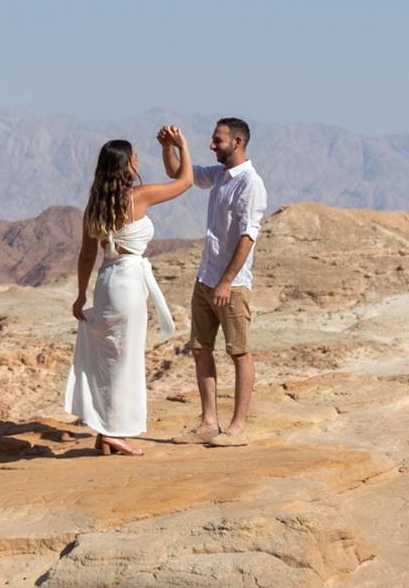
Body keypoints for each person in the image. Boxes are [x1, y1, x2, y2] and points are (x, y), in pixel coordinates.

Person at [64, 126, 195, 455]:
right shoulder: (138, 197)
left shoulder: (94, 206)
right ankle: (113, 432)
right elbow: (186, 181)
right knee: (125, 361)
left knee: (111, 358)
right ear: (126, 166)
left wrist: (81, 295)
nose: (139, 162)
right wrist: (181, 146)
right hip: (128, 284)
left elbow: (86, 256)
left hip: (107, 284)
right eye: (136, 157)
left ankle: (105, 429)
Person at [183, 117, 267, 444]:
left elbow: (248, 236)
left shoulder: (250, 183)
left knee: (239, 352)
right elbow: (184, 174)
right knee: (201, 348)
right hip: (206, 277)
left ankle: (238, 428)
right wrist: (173, 147)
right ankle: (208, 424)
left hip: (231, 284)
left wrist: (226, 281)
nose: (212, 145)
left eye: (218, 140)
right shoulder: (219, 175)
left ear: (238, 142)